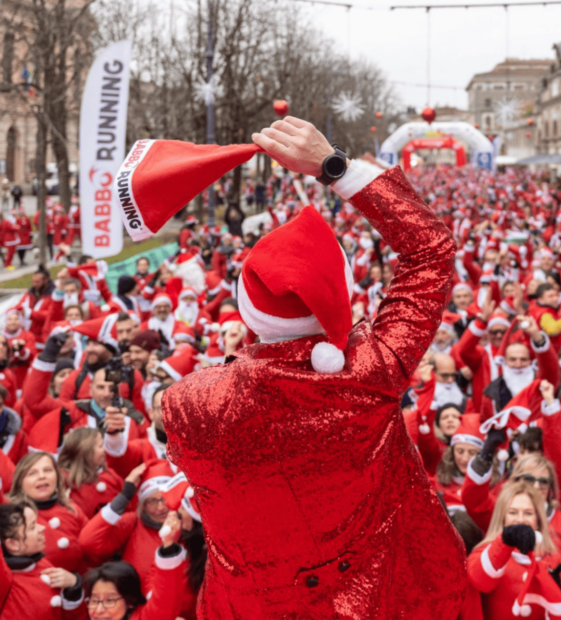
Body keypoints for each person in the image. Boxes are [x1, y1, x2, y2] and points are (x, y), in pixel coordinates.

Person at [162, 117, 467, 617]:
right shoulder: (371, 370)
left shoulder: (190, 402)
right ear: (343, 299)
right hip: (389, 601)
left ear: (246, 309)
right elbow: (430, 251)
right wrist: (335, 168)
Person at [466, 482, 561, 620]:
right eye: (513, 512)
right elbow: (479, 581)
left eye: (528, 513)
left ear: (538, 520)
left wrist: (554, 590)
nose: (520, 520)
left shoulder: (554, 560)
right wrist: (505, 541)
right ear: (502, 518)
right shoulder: (485, 552)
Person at [0, 501, 85, 619]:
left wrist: (73, 588)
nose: (42, 528)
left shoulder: (41, 563)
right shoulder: (6, 582)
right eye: (33, 526)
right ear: (12, 544)